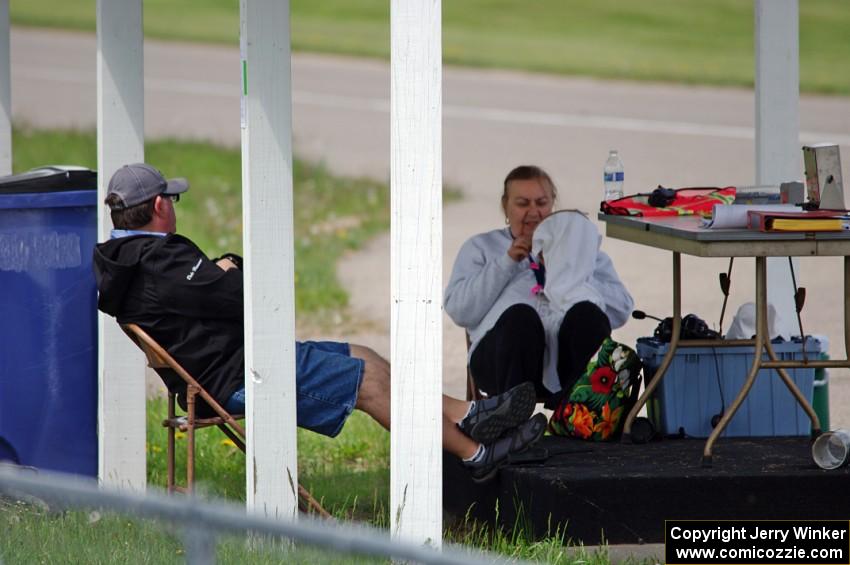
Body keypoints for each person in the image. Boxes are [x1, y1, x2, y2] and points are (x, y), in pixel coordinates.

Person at [93, 163, 546, 483]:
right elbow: (246, 300)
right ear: (157, 205)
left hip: (227, 364)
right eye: (172, 199)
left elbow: (215, 291)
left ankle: (467, 413)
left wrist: (223, 272)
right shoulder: (161, 260)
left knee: (363, 356)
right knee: (369, 382)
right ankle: (476, 453)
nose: (175, 206)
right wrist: (230, 268)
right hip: (236, 375)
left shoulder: (126, 261)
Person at [444, 165, 633, 405]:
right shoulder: (481, 247)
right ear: (506, 206)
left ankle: (580, 418)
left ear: (553, 203)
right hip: (502, 361)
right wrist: (506, 263)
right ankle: (509, 423)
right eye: (523, 203)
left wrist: (570, 269)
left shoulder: (578, 250)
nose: (534, 211)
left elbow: (621, 310)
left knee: (587, 314)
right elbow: (460, 311)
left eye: (541, 203)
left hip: (567, 366)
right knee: (521, 317)